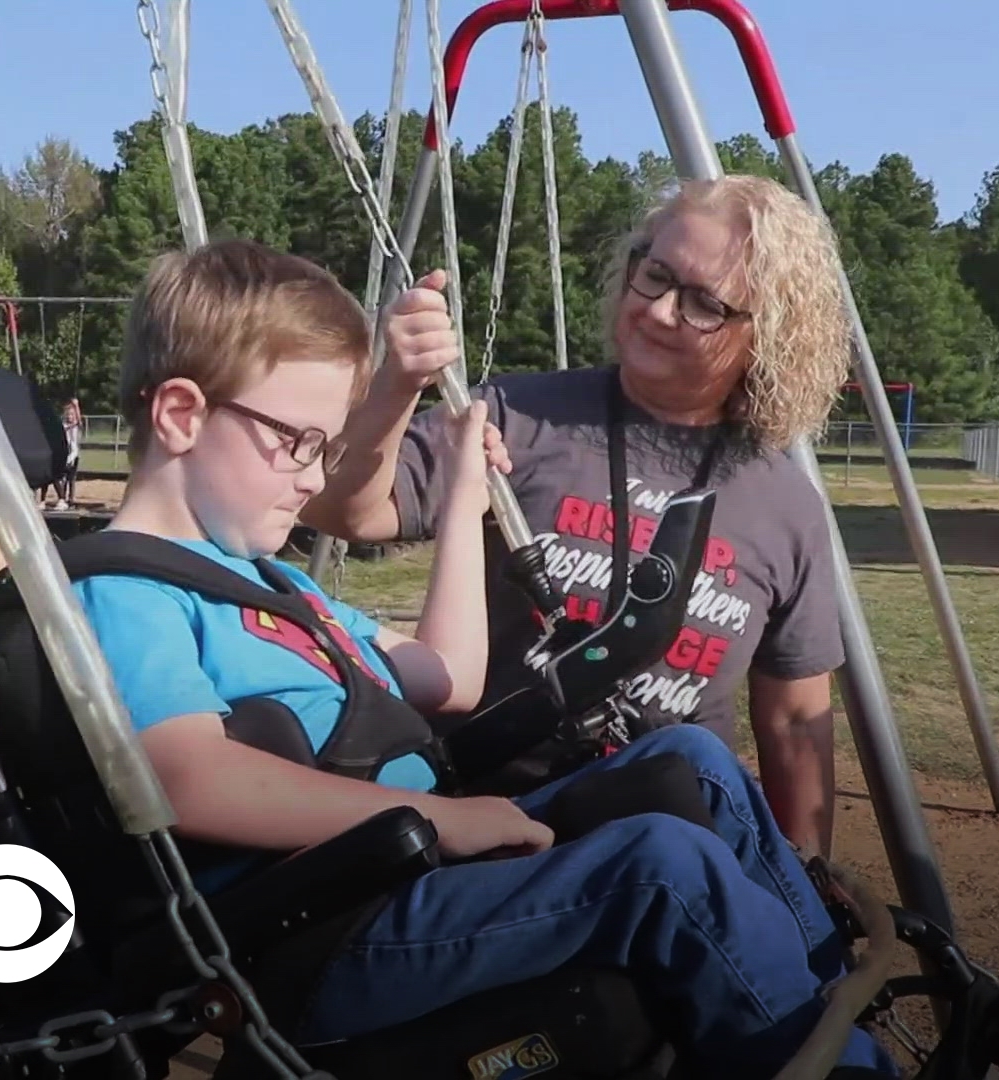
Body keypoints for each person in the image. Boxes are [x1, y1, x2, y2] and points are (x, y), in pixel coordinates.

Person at [68, 238, 895, 1080]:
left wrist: (465, 500)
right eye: (301, 442)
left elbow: (448, 679)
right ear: (180, 414)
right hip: (317, 930)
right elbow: (183, 779)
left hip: (398, 881)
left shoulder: (268, 584)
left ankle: (819, 999)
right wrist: (447, 820)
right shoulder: (124, 590)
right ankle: (841, 1066)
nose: (311, 476)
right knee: (660, 870)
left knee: (693, 760)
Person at [302, 174, 855, 859]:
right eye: (655, 275)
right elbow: (347, 509)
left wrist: (806, 878)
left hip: (670, 822)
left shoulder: (785, 505)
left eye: (705, 303)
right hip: (491, 809)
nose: (657, 311)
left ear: (766, 337)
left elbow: (796, 723)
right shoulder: (520, 418)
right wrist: (396, 386)